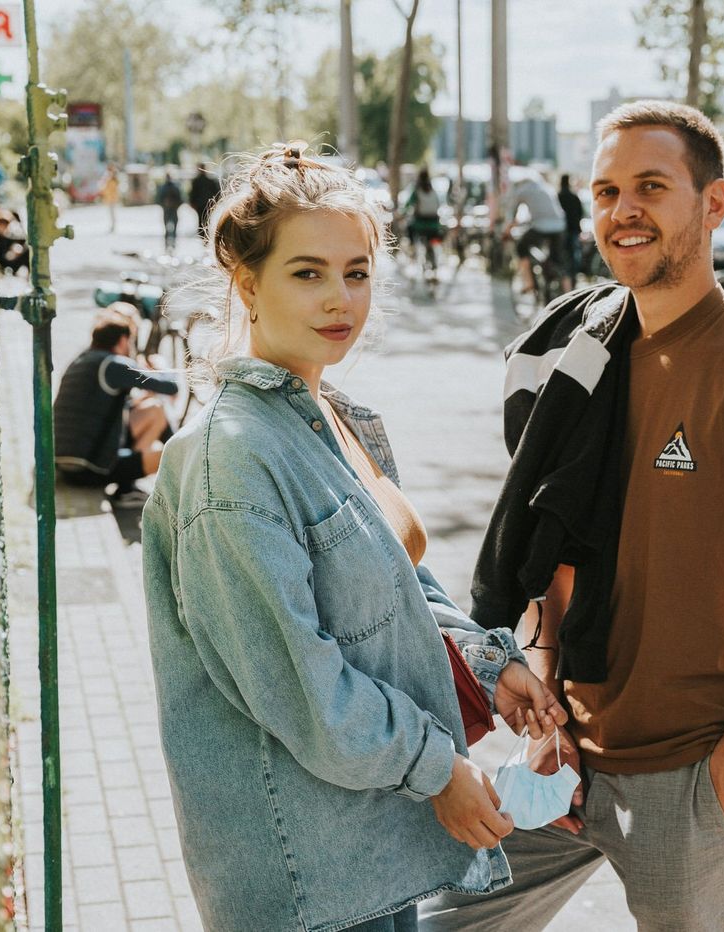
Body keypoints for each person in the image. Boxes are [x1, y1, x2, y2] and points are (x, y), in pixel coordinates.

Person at [423, 101, 724, 930]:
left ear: (711, 204)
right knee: (444, 920)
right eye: (605, 191)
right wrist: (549, 715)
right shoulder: (581, 357)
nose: (620, 211)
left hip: (690, 778)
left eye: (649, 187)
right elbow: (553, 548)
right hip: (567, 762)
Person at [141, 143, 568, 932]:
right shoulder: (228, 458)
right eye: (308, 273)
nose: (341, 298)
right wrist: (439, 768)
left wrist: (488, 659)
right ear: (247, 283)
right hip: (307, 876)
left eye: (357, 272)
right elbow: (302, 686)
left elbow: (396, 587)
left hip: (373, 843)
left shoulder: (333, 415)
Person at [54, 305, 180, 506]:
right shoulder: (113, 364)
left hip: (65, 464)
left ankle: (129, 486)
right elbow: (170, 386)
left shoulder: (84, 359)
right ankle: (128, 489)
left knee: (155, 410)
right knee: (171, 455)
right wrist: (161, 366)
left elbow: (110, 410)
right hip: (90, 469)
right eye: (129, 341)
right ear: (122, 340)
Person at [504, 170, 570, 297]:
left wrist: (507, 232)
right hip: (560, 226)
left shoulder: (522, 190)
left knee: (521, 247)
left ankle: (529, 283)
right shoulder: (547, 188)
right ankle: (569, 294)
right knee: (558, 262)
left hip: (541, 226)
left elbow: (512, 216)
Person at [403, 167, 443, 276]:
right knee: (432, 240)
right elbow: (439, 205)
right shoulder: (433, 190)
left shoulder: (416, 190)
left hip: (420, 223)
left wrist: (402, 213)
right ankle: (433, 258)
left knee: (409, 228)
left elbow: (407, 205)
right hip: (434, 223)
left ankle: (411, 248)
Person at [557, 174, 584, 285]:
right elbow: (580, 212)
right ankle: (573, 278)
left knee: (562, 255)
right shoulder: (574, 196)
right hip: (574, 229)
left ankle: (564, 278)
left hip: (562, 230)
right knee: (574, 254)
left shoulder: (558, 196)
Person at [189, 162, 222, 240]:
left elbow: (193, 193)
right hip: (205, 203)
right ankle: (204, 233)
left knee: (203, 218)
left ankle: (203, 234)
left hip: (204, 204)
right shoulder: (202, 181)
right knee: (205, 218)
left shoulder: (200, 181)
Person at [0, 208, 29, 275]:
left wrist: (18, 248)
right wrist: (9, 255)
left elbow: (23, 240)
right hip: (4, 264)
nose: (4, 227)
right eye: (2, 223)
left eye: (6, 224)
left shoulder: (8, 236)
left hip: (13, 261)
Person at [157, 172, 184, 251]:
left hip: (171, 209)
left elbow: (180, 199)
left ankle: (171, 244)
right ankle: (169, 244)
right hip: (169, 210)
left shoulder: (168, 187)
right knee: (169, 228)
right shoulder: (167, 187)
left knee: (171, 228)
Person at [100, 164, 121, 233]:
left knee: (112, 214)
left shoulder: (112, 180)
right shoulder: (111, 180)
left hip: (112, 199)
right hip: (110, 198)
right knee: (111, 213)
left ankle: (113, 226)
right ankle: (113, 226)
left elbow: (109, 189)